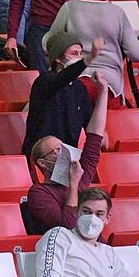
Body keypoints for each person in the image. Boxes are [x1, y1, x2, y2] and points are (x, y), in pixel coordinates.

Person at [45, 0, 139, 106]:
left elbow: (47, 43)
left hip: (74, 79)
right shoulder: (117, 12)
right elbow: (136, 54)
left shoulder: (69, 8)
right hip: (108, 84)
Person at [25, 74, 108, 236]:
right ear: (43, 163)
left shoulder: (81, 175)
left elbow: (95, 137)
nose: (64, 152)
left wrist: (103, 91)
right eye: (56, 150)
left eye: (63, 147)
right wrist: (74, 184)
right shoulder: (39, 193)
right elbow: (67, 226)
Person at [21, 32, 99, 157]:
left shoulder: (79, 88)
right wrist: (87, 59)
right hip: (42, 156)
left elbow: (89, 122)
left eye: (81, 54)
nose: (79, 57)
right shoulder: (44, 81)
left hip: (67, 157)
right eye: (74, 53)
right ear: (58, 58)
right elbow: (61, 79)